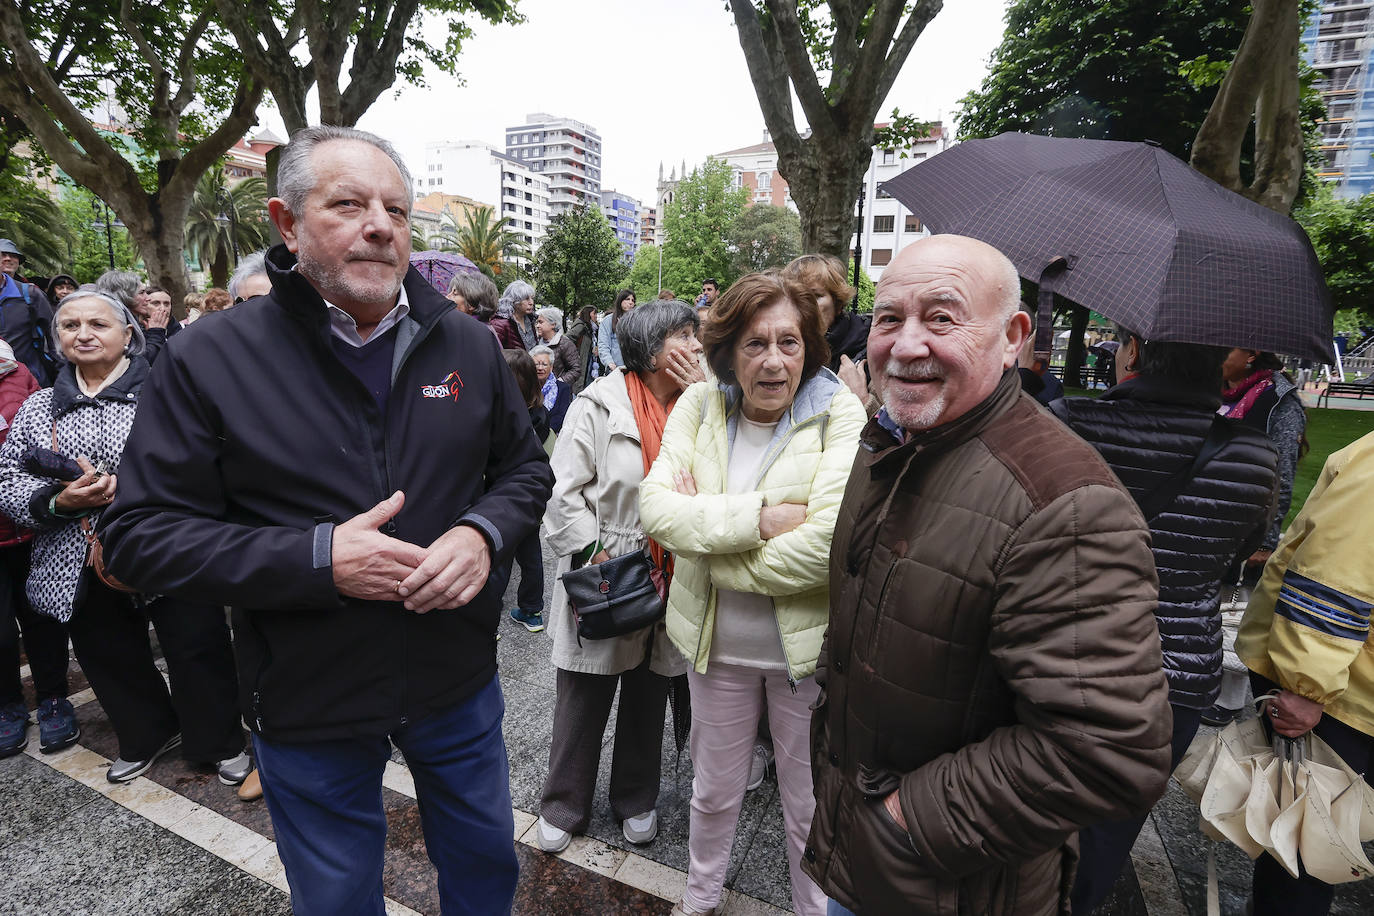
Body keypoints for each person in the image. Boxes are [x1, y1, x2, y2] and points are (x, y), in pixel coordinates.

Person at [98, 125, 552, 916]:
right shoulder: (210, 356)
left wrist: (481, 534)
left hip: (456, 679)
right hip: (306, 691)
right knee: (336, 897)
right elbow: (138, 535)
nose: (380, 223)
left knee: (484, 867)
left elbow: (524, 471)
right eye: (348, 203)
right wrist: (317, 558)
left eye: (397, 210)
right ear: (286, 222)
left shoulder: (467, 346)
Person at [806, 235, 1174, 916]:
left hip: (955, 879)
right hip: (865, 856)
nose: (907, 345)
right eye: (889, 319)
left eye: (942, 318)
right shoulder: (894, 441)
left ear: (1013, 338)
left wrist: (901, 823)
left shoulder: (1064, 503)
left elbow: (1109, 752)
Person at [640, 271, 867, 916]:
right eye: (754, 343)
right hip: (716, 648)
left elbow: (827, 546)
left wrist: (708, 538)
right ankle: (700, 894)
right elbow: (656, 510)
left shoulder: (839, 413)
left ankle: (810, 909)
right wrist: (759, 519)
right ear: (727, 351)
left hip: (804, 657)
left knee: (807, 802)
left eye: (790, 343)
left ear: (810, 349)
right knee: (713, 792)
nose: (773, 361)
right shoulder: (698, 406)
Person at [1052, 325, 1278, 914]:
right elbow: (1242, 550)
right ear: (1222, 365)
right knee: (1112, 827)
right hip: (1173, 671)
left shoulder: (1068, 423)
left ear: (1134, 351)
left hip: (1062, 650)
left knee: (1034, 806)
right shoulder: (1254, 456)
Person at [0, 288, 249, 784]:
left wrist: (133, 489)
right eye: (70, 326)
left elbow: (210, 461)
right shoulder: (39, 406)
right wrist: (57, 501)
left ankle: (218, 740)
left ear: (128, 334)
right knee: (106, 650)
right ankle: (147, 732)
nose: (84, 334)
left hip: (170, 541)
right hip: (76, 551)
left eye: (98, 324)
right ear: (56, 339)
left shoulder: (169, 390)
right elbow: (8, 478)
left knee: (195, 642)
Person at [535, 300, 706, 855]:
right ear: (654, 349)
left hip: (673, 570)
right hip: (611, 566)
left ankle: (636, 797)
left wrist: (708, 397)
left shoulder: (702, 405)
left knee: (650, 690)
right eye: (685, 335)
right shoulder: (600, 403)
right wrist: (594, 551)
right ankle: (564, 800)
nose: (697, 345)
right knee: (585, 689)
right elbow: (560, 489)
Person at [1235, 431, 1374, 916]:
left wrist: (1304, 688)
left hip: (1344, 702)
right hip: (1350, 691)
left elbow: (1335, 578)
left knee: (1303, 845)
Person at [1208, 348, 1308, 726]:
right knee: (1214, 603)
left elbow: (1280, 474)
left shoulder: (1277, 401)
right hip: (1211, 513)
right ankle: (1208, 682)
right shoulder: (1219, 391)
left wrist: (1266, 539)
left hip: (1249, 520)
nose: (1217, 354)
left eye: (1226, 347)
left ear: (1249, 354)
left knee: (1237, 608)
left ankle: (1230, 700)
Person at [0, 343, 73, 757]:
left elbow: (42, 440)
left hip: (31, 525)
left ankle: (52, 699)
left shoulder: (17, 372)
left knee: (42, 619)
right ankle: (8, 705)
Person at [781, 254, 871, 409]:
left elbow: (895, 428)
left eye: (815, 296)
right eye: (796, 296)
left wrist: (862, 401)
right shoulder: (778, 349)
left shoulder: (870, 349)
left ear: (838, 304)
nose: (805, 305)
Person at [0, 239, 57, 386]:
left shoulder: (30, 294)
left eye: (13, 255)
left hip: (30, 381)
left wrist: (64, 374)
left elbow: (53, 335)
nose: (8, 258)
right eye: (3, 254)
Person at [97, 270, 178, 365]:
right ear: (125, 295)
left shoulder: (133, 320)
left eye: (167, 304)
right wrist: (156, 333)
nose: (148, 298)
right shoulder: (114, 324)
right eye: (142, 293)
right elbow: (139, 363)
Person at [530, 345, 573, 435]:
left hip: (552, 437)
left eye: (544, 364)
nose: (540, 368)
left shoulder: (563, 388)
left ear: (551, 367)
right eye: (536, 364)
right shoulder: (526, 387)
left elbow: (562, 416)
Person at [535, 306, 582, 387]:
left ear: (553, 324)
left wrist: (558, 383)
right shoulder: (536, 342)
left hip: (558, 394)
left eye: (541, 322)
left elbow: (576, 369)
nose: (537, 325)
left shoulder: (565, 343)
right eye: (537, 322)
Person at [598, 289, 636, 372]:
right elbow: (603, 345)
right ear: (620, 301)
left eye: (633, 300)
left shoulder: (637, 321)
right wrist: (609, 363)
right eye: (627, 299)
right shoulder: (608, 321)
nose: (630, 302)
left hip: (634, 369)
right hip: (615, 369)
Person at [497, 280, 538, 350]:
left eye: (532, 298)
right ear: (514, 300)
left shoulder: (530, 319)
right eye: (526, 299)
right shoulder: (501, 324)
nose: (531, 302)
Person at [565, 305, 598, 392]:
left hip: (587, 360)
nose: (596, 316)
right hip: (581, 360)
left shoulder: (591, 328)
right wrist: (575, 354)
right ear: (588, 314)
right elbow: (567, 338)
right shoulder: (581, 326)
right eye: (594, 313)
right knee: (578, 385)